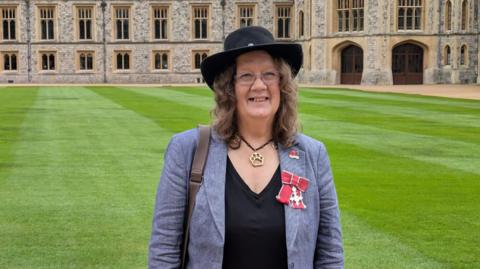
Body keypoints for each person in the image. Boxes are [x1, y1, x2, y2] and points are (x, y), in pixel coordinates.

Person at [148, 26, 343, 269]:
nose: (259, 85)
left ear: (281, 84)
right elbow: (164, 250)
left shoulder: (312, 155)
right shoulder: (187, 150)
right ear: (229, 88)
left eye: (269, 74)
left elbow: (330, 253)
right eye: (246, 75)